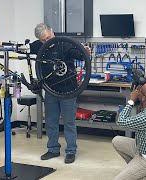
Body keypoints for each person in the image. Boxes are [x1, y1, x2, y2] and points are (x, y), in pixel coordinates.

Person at [33, 23, 90, 164]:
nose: (47, 42)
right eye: (43, 41)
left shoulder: (65, 44)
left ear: (52, 32)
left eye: (48, 38)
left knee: (69, 122)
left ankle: (71, 151)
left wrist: (86, 51)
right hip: (50, 90)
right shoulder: (38, 46)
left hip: (68, 90)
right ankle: (53, 149)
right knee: (51, 121)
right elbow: (21, 48)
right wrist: (0, 44)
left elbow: (80, 56)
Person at [112, 82, 146, 180]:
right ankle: (137, 171)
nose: (136, 92)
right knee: (117, 141)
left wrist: (131, 101)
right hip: (145, 148)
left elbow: (120, 121)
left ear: (144, 98)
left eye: (140, 91)